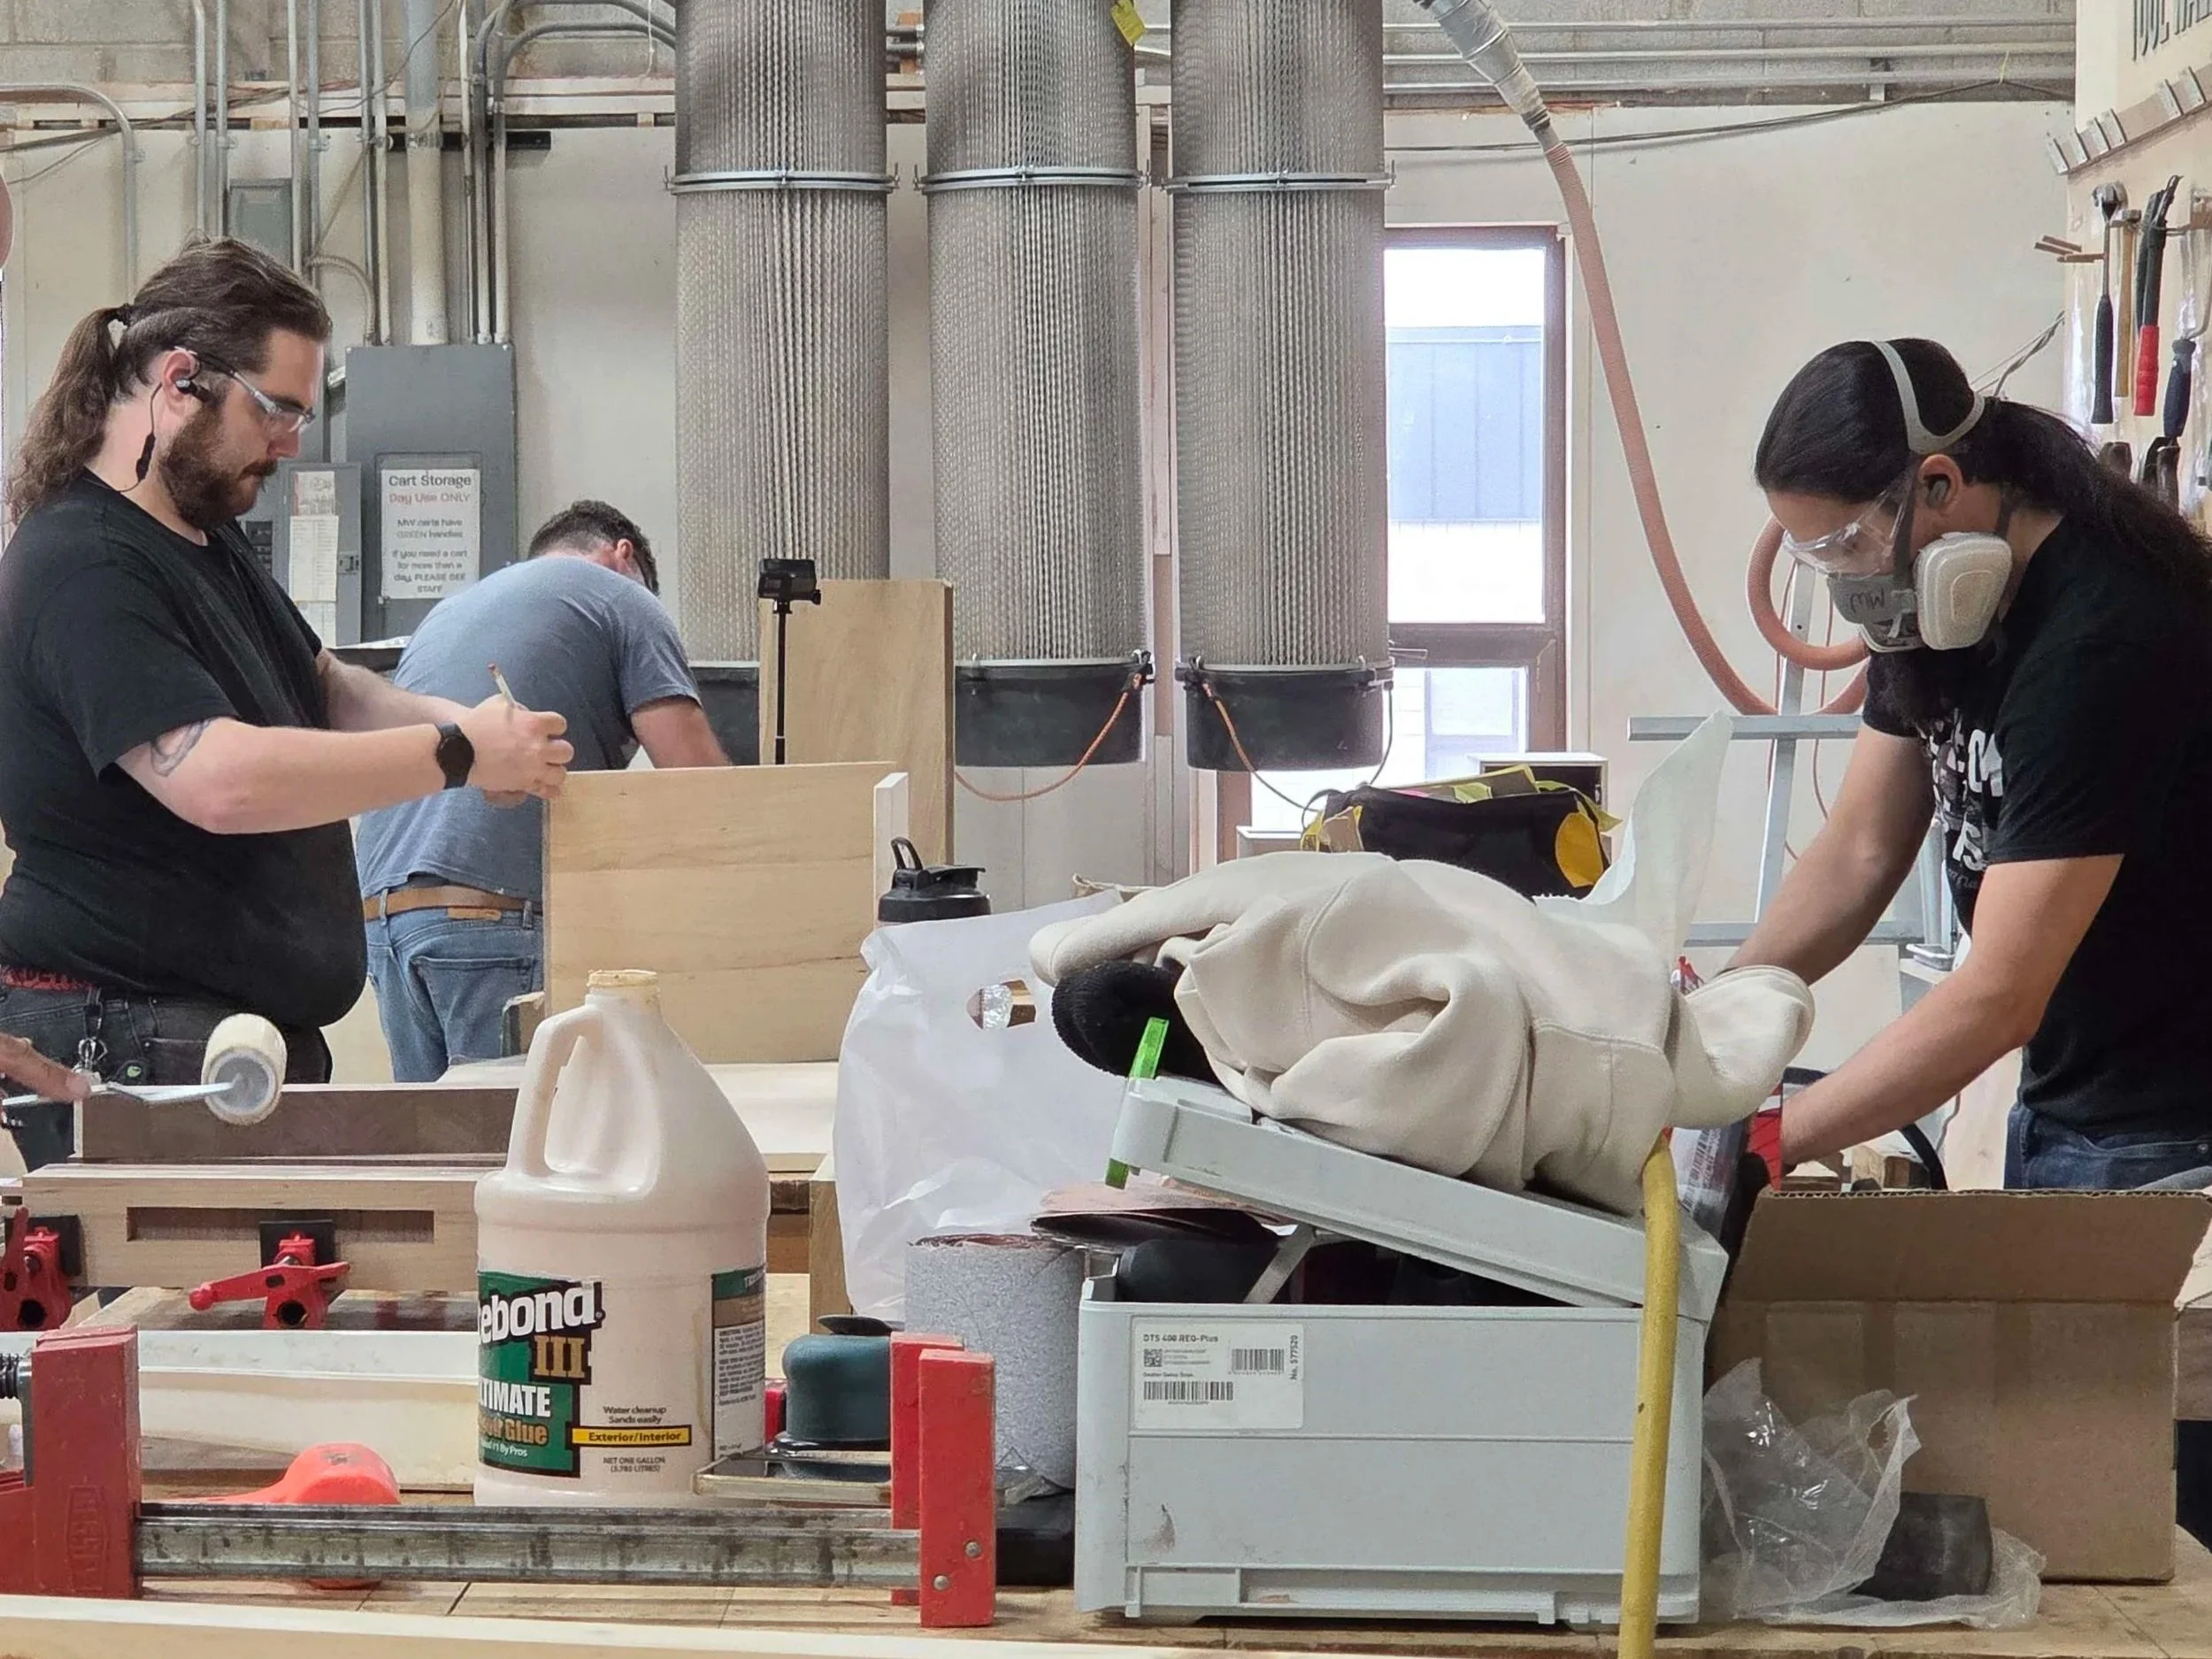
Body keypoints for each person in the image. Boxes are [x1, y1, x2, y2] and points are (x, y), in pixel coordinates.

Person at [1738, 337, 2212, 1540]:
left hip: (2178, 1142)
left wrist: (1766, 1136)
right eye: (1816, 558)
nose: (1846, 585)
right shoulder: (1934, 611)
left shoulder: (2104, 637)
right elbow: (1855, 853)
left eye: (1848, 543)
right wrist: (1716, 1021)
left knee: (2145, 1520)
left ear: (1939, 486)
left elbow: (1997, 992)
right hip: (2076, 1103)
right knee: (2072, 1502)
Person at [0, 237, 572, 1164]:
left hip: (215, 1041)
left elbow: (324, 689)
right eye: (277, 409)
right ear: (181, 380)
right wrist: (457, 759)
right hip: (137, 1042)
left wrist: (466, 727)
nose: (294, 442)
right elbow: (216, 781)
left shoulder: (202, 540)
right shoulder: (83, 564)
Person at [355, 499, 729, 1080]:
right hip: (491, 916)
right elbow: (703, 791)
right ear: (622, 555)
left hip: (384, 918)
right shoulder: (624, 597)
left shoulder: (453, 611)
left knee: (448, 1157)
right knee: (525, 1151)